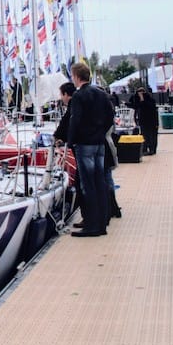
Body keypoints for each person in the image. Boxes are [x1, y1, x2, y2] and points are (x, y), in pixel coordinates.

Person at [66, 62, 114, 237]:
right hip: (99, 142)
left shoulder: (79, 96)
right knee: (100, 182)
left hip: (85, 143)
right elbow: (110, 115)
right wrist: (100, 131)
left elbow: (75, 119)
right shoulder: (101, 94)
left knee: (88, 185)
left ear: (77, 77)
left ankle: (92, 225)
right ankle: (101, 223)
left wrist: (70, 141)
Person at [128, 87, 159, 155]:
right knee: (144, 135)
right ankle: (144, 149)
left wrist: (142, 99)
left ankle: (152, 149)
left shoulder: (150, 100)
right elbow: (135, 105)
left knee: (151, 135)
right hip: (143, 120)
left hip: (151, 120)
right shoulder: (138, 100)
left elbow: (150, 107)